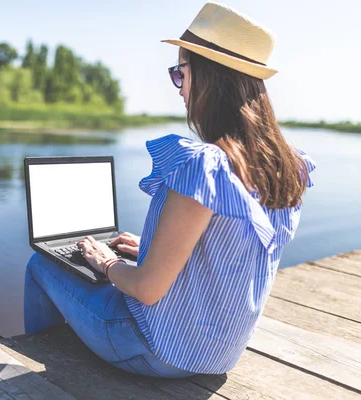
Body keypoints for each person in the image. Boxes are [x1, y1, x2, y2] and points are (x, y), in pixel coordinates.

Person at [23, 1, 316, 378]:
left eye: (181, 72)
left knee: (40, 264)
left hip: (157, 351)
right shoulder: (286, 165)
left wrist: (108, 262)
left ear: (210, 78)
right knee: (120, 263)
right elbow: (228, 249)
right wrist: (150, 246)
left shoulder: (203, 165)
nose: (178, 87)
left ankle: (48, 369)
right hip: (221, 354)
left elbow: (146, 290)